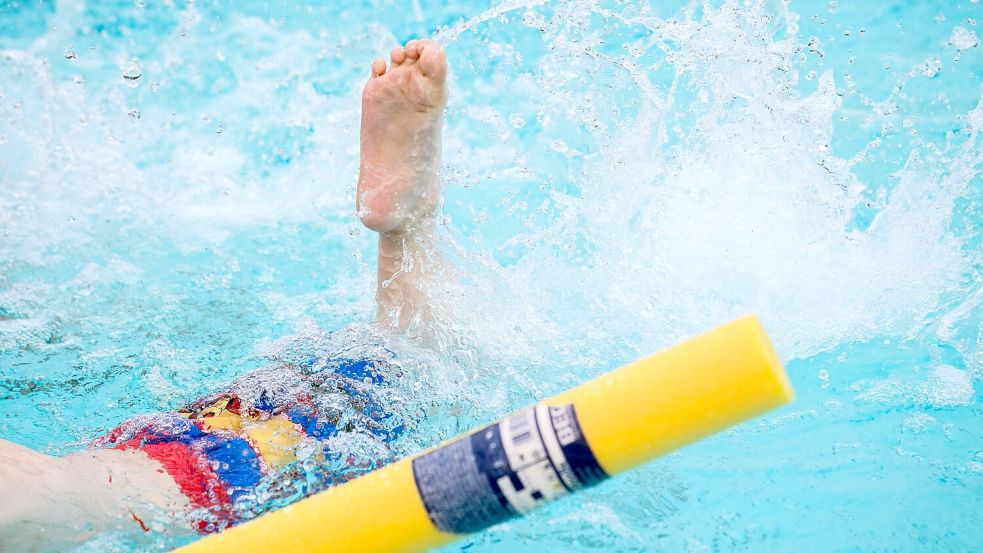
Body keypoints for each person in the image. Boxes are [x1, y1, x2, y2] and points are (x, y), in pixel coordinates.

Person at [0, 39, 449, 549]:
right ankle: (409, 230)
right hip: (133, 464)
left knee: (401, 382)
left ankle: (409, 230)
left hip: (158, 484)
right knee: (402, 369)